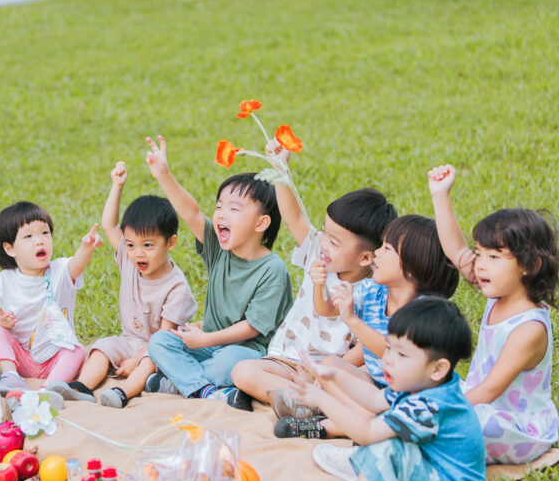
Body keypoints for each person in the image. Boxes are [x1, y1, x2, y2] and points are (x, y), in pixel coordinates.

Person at [231, 138, 398, 413]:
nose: (323, 243)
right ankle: (297, 401)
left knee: (355, 385)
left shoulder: (373, 289)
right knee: (243, 372)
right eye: (324, 232)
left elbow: (365, 346)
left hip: (329, 370)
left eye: (335, 241)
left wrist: (329, 369)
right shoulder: (317, 254)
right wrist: (280, 171)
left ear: (366, 257)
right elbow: (294, 218)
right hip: (286, 362)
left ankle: (302, 401)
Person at [291, 298, 485, 481]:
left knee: (386, 444)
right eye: (388, 348)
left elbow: (366, 434)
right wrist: (335, 375)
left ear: (438, 369)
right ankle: (364, 467)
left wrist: (322, 399)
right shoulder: (423, 382)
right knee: (387, 427)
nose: (389, 360)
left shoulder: (430, 405)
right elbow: (375, 399)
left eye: (401, 354)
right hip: (428, 473)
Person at [142, 135, 293, 410]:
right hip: (206, 344)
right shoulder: (218, 246)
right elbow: (192, 214)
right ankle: (206, 391)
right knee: (160, 341)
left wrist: (205, 339)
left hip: (248, 351)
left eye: (234, 209)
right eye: (219, 206)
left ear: (261, 223)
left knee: (228, 363)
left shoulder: (273, 269)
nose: (221, 214)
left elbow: (253, 327)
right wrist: (164, 175)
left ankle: (181, 383)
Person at [276, 214, 459, 438]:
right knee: (330, 366)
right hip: (375, 384)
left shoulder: (425, 311)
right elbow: (326, 309)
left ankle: (332, 426)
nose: (377, 253)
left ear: (412, 268)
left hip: (410, 393)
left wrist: (353, 320)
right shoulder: (371, 290)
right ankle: (347, 422)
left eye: (387, 249)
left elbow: (394, 352)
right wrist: (318, 284)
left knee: (347, 390)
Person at [429, 164, 559, 464]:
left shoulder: (529, 328)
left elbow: (491, 389)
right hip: (478, 402)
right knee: (421, 384)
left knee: (450, 420)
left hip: (513, 426)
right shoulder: (500, 291)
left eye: (493, 256)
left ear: (529, 266)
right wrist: (440, 195)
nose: (481, 264)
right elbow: (455, 249)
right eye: (480, 253)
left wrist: (439, 409)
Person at [47, 162, 198, 408]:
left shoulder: (176, 287)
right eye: (130, 245)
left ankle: (123, 393)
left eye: (148, 245)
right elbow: (109, 225)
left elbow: (163, 336)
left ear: (171, 243)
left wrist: (137, 358)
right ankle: (82, 387)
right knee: (102, 348)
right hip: (130, 339)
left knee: (149, 358)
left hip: (160, 349)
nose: (138, 253)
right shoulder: (131, 262)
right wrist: (117, 186)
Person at [0, 201, 103, 397]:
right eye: (28, 236)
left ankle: (47, 391)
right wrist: (1, 320)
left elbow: (77, 265)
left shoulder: (58, 271)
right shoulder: (5, 280)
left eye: (45, 233)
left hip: (54, 358)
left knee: (77, 350)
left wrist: (86, 247)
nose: (40, 241)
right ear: (10, 249)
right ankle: (10, 377)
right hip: (21, 358)